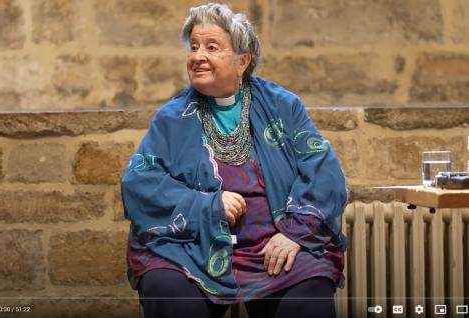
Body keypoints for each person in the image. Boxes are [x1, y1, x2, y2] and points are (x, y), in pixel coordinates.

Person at [121, 3, 347, 318]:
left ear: (242, 61)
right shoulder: (171, 118)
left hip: (273, 243)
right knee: (167, 289)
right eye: (194, 46)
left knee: (308, 294)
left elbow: (324, 172)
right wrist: (207, 205)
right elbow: (138, 184)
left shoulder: (283, 106)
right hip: (192, 247)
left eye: (211, 47)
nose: (198, 55)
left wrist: (296, 233)